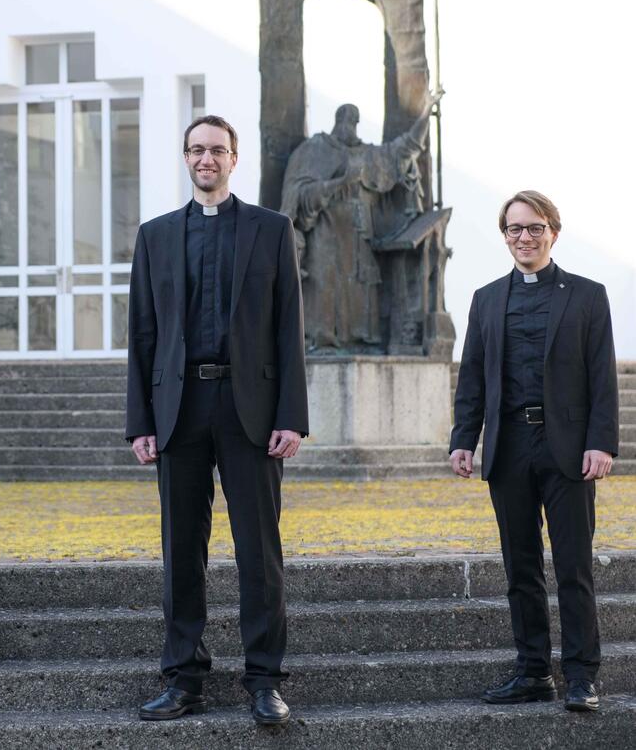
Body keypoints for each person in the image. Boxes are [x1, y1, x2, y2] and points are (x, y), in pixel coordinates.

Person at [126, 114, 309, 726]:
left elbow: (289, 329)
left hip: (250, 410)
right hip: (178, 410)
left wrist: (293, 417)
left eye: (217, 150)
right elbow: (143, 336)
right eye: (196, 150)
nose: (207, 159)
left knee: (260, 550)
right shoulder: (154, 236)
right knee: (182, 549)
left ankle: (265, 680)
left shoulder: (270, 230)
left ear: (235, 159)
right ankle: (184, 678)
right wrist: (139, 422)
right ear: (186, 159)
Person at [450, 190, 619, 713]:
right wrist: (463, 438)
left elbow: (602, 378)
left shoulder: (588, 296)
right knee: (520, 567)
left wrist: (601, 443)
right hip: (509, 448)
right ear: (505, 236)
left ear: (553, 231)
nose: (524, 238)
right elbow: (473, 375)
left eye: (534, 228)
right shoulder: (485, 298)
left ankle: (581, 676)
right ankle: (531, 672)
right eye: (514, 229)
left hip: (568, 449)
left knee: (573, 566)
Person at [279, 94, 438, 350]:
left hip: (361, 235)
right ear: (338, 120)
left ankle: (360, 342)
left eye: (355, 121)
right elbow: (299, 194)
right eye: (347, 119)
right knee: (326, 290)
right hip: (325, 235)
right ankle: (323, 342)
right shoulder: (316, 149)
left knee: (362, 290)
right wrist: (340, 182)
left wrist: (426, 112)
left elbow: (404, 150)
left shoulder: (367, 154)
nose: (350, 126)